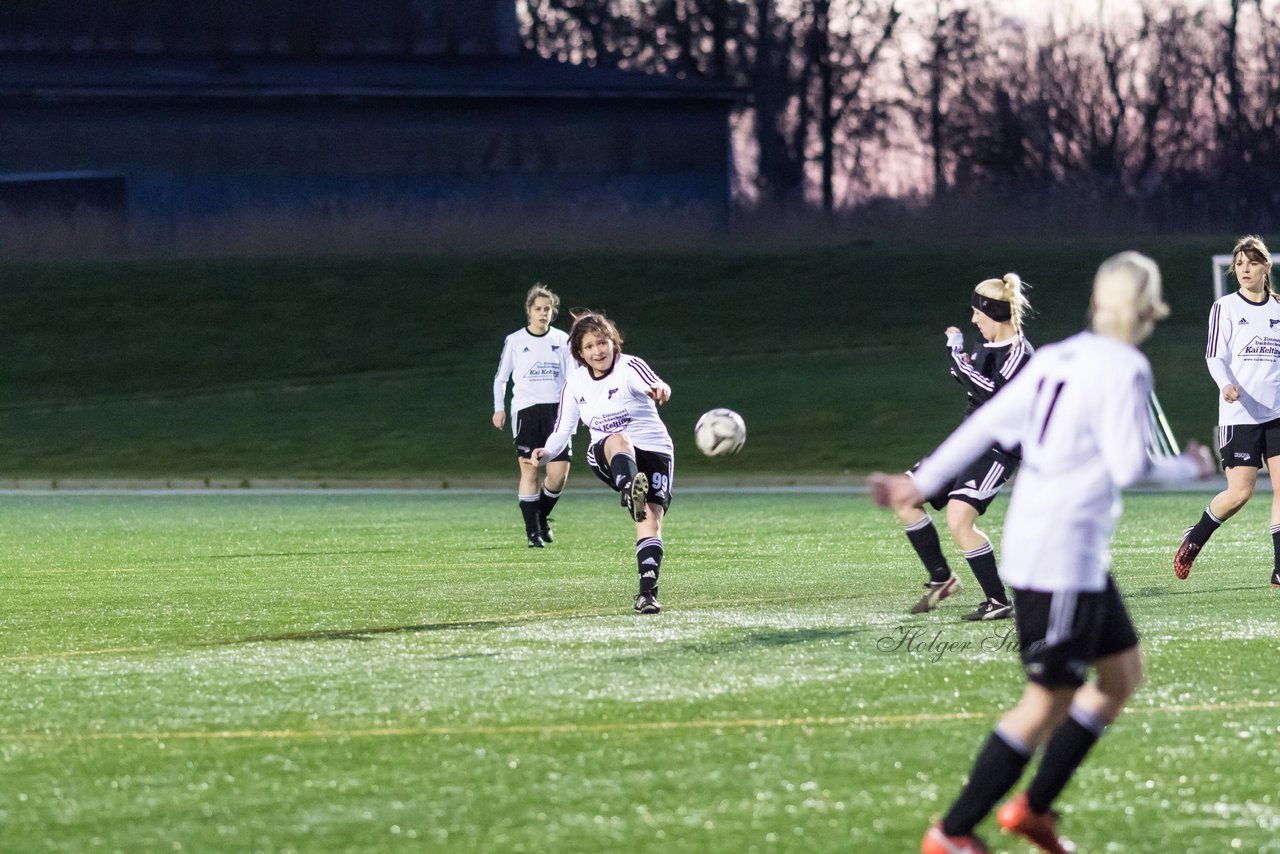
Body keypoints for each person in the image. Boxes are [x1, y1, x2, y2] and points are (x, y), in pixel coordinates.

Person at [870, 252, 1214, 854]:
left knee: (1119, 677)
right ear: (1152, 311)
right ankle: (951, 832)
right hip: (1059, 554)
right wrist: (1189, 466)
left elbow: (987, 424)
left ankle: (1034, 810)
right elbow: (1129, 464)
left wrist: (918, 483)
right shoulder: (1125, 366)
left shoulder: (1056, 356)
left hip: (1072, 554)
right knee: (1047, 699)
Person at [895, 274, 1034, 621]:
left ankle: (997, 601)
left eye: (977, 313)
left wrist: (957, 355)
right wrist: (960, 360)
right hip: (967, 441)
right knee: (905, 496)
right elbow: (969, 377)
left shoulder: (1020, 354)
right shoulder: (984, 343)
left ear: (994, 313)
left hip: (997, 450)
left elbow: (994, 395)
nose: (973, 319)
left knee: (960, 519)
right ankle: (941, 579)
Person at [532, 310, 673, 614]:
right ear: (580, 353)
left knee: (650, 519)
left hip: (654, 449)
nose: (598, 351)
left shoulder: (629, 367)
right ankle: (628, 487)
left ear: (613, 341)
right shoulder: (576, 383)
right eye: (590, 346)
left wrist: (660, 390)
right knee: (616, 438)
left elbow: (657, 383)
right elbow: (563, 429)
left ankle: (647, 594)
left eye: (602, 342)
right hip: (610, 452)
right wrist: (545, 452)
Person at [1174, 235, 1280, 587]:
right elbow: (1214, 356)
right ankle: (1195, 537)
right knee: (1240, 494)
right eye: (1239, 264)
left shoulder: (1279, 309)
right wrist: (1225, 385)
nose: (1245, 269)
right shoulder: (1226, 307)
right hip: (1241, 416)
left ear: (1266, 266)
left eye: (1252, 262)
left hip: (1277, 413)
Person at [492, 284, 573, 548]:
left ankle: (540, 516)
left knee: (558, 475)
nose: (543, 313)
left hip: (557, 412)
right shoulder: (515, 340)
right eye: (538, 309)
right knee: (530, 469)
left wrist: (579, 407)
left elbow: (573, 378)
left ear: (553, 312)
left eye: (547, 309)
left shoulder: (562, 340)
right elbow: (501, 378)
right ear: (529, 311)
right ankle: (532, 533)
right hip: (527, 411)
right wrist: (499, 408)